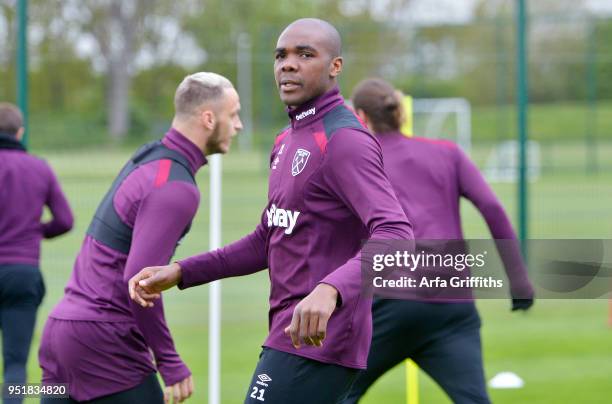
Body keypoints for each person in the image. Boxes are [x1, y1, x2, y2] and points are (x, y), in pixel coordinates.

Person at [128, 19, 414, 404]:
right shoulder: (286, 140)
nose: (288, 64)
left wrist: (331, 290)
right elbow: (268, 238)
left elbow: (398, 235)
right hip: (288, 334)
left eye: (305, 54)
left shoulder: (344, 141)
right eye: (281, 55)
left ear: (336, 66)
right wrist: (181, 272)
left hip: (320, 341)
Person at [38, 72, 242, 404]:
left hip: (61, 332)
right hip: (104, 344)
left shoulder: (147, 158)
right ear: (208, 118)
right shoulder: (176, 187)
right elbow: (141, 281)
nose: (238, 125)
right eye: (233, 114)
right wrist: (170, 361)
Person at [343, 78, 535, 403]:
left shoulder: (356, 162)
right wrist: (519, 283)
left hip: (388, 304)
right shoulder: (448, 152)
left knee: (338, 395)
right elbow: (492, 207)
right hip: (451, 306)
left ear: (360, 117)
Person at [0, 103, 73, 404]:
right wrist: (33, 231)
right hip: (22, 272)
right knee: (16, 364)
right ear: (20, 132)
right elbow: (65, 220)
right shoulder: (38, 167)